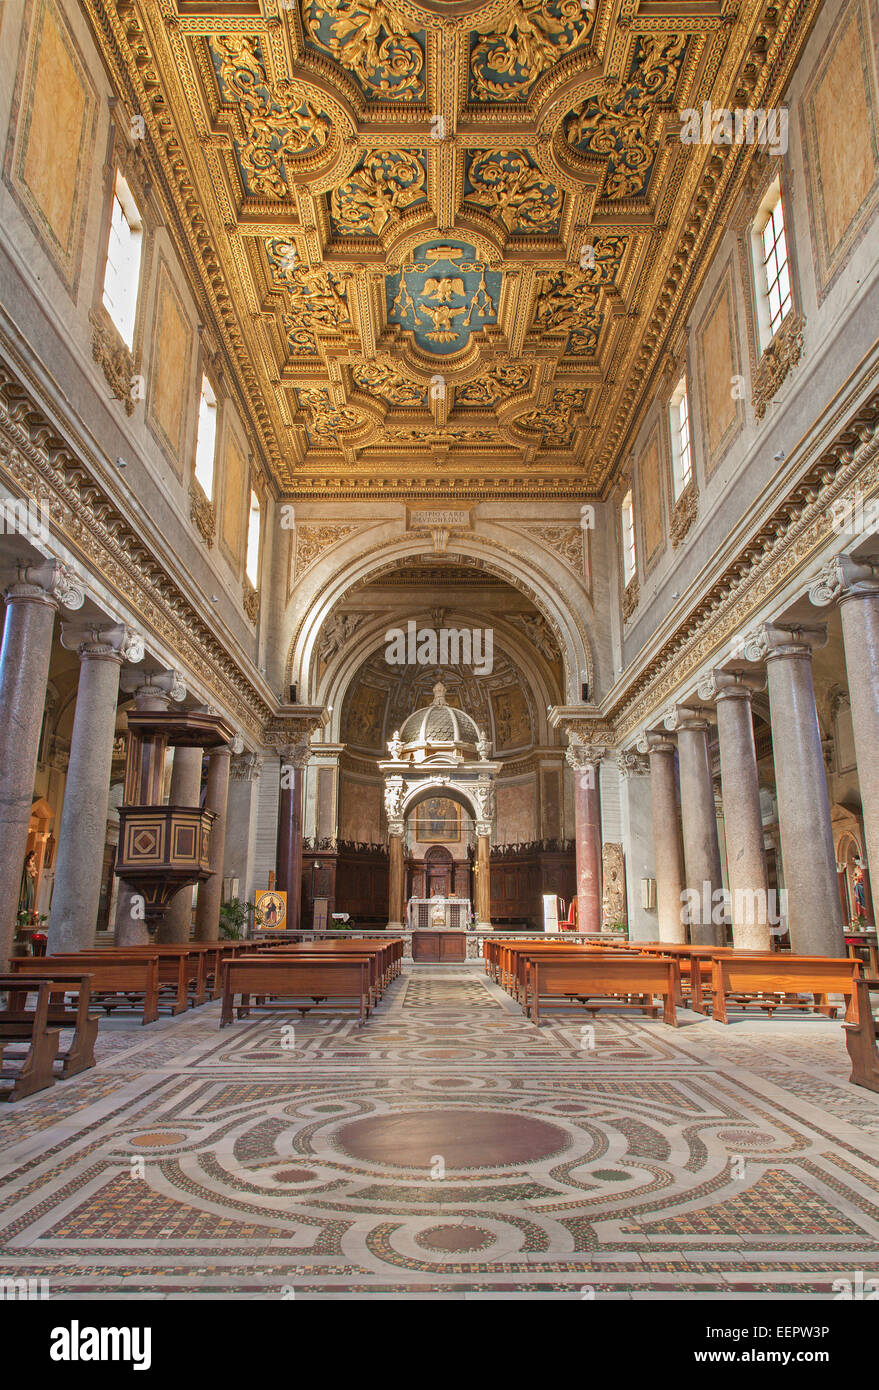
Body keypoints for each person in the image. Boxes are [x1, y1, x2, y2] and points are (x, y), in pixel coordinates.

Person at [18, 850, 36, 919]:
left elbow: (33, 870)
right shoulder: (28, 861)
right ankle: (23, 907)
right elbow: (28, 869)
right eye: (34, 856)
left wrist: (33, 870)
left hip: (30, 878)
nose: (34, 857)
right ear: (31, 855)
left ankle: (28, 907)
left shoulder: (32, 862)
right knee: (27, 892)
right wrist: (32, 869)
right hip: (27, 879)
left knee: (31, 893)